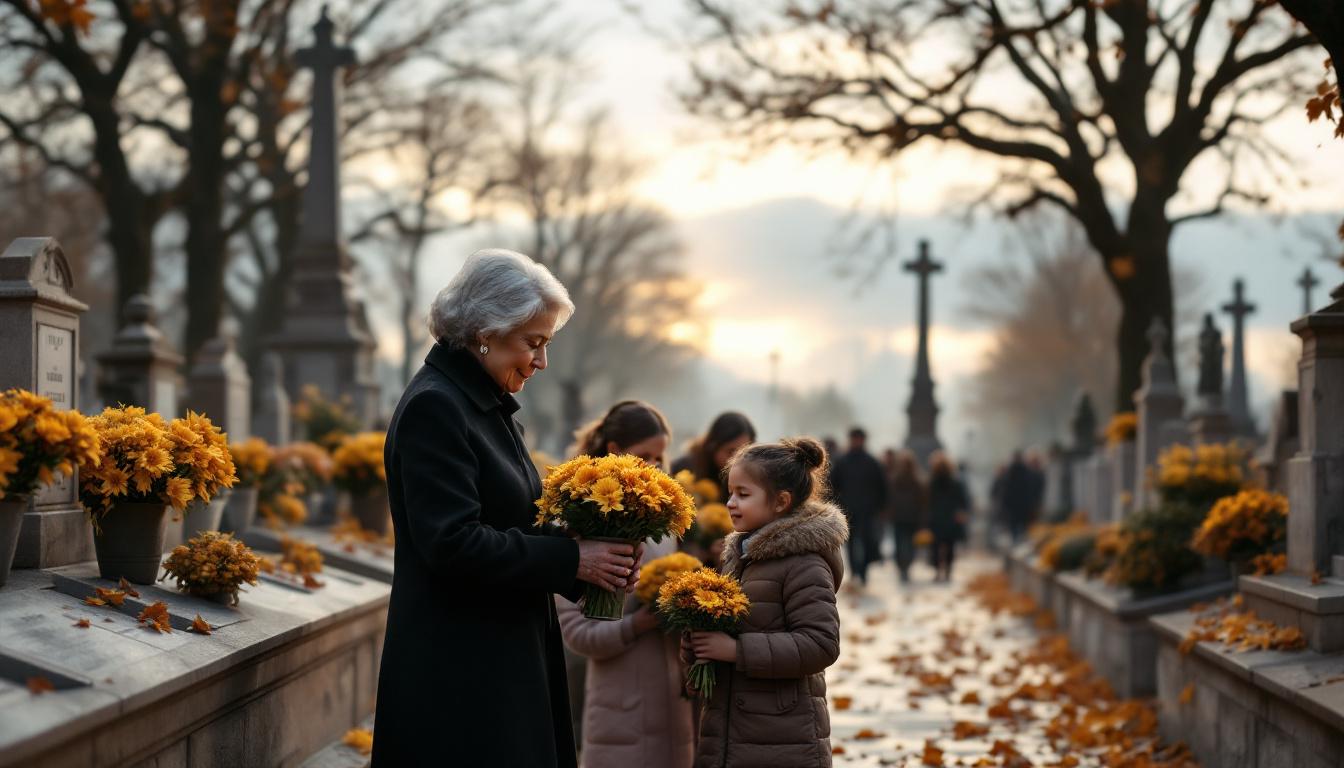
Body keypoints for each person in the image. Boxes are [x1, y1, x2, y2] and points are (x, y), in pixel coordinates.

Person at [372, 249, 643, 767]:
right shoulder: (438, 406)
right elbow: (451, 542)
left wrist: (590, 562)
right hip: (460, 672)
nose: (541, 362)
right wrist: (573, 560)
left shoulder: (485, 406)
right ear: (485, 332)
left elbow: (511, 524)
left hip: (497, 656)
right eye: (534, 343)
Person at [685, 438, 848, 766]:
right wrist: (697, 643)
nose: (731, 502)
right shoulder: (740, 555)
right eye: (730, 492)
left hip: (783, 737)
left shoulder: (805, 563)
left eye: (743, 495)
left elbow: (821, 644)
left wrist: (735, 650)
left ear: (781, 502)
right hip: (728, 733)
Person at [555, 401, 694, 768]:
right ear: (615, 450)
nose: (654, 467)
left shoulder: (663, 525)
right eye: (644, 456)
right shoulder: (578, 523)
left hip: (674, 707)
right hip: (619, 709)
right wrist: (639, 623)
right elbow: (578, 635)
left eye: (660, 458)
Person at [829, 427, 886, 586]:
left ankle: (863, 571)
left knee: (868, 540)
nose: (856, 442)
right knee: (852, 542)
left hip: (868, 509)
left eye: (858, 439)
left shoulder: (871, 461)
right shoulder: (843, 461)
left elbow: (881, 486)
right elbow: (833, 484)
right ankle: (855, 571)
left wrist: (881, 506)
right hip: (849, 509)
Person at [670, 411, 756, 502]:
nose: (737, 460)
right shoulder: (683, 470)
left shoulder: (753, 477)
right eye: (731, 451)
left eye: (744, 453)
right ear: (713, 446)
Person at [926, 451, 971, 583]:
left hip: (936, 519)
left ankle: (937, 570)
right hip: (952, 519)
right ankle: (948, 570)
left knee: (935, 546)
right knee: (950, 546)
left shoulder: (932, 483)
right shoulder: (955, 483)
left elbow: (927, 501)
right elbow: (963, 501)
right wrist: (962, 512)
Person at [885, 449, 926, 584]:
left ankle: (902, 566)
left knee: (899, 543)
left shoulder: (894, 479)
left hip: (899, 516)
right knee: (910, 544)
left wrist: (889, 511)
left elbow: (890, 498)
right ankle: (906, 566)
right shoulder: (918, 481)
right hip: (912, 517)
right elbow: (922, 501)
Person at [999, 450, 1037, 544]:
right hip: (1024, 506)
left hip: (1012, 507)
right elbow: (1030, 490)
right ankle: (1020, 544)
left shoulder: (1009, 472)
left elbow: (1005, 491)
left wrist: (1005, 505)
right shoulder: (1027, 472)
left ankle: (1015, 544)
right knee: (1023, 529)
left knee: (1014, 529)